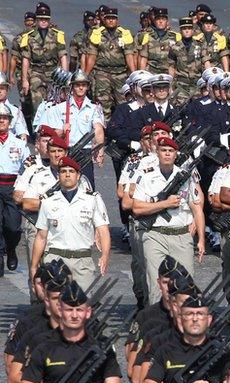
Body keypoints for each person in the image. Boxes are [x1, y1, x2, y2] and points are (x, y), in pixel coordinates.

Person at [131, 137, 206, 303]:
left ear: (175, 154)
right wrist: (164, 204)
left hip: (181, 235)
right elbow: (136, 208)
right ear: (157, 153)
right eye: (163, 150)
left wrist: (201, 239)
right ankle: (157, 324)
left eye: (170, 151)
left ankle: (181, 325)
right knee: (156, 285)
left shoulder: (186, 177)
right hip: (155, 234)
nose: (167, 154)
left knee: (186, 284)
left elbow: (197, 209)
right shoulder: (146, 176)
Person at [30, 157, 111, 290]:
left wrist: (105, 255)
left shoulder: (92, 199)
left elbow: (103, 230)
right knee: (55, 305)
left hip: (82, 259)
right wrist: (34, 266)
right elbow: (41, 236)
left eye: (71, 171)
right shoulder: (48, 201)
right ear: (58, 175)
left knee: (82, 305)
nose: (67, 175)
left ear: (78, 175)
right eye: (63, 171)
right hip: (55, 259)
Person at [0, 103, 27, 274]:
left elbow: (28, 167)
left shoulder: (20, 143)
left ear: (10, 122)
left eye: (4, 118)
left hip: (13, 187)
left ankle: (11, 249)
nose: (1, 121)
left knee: (13, 226)